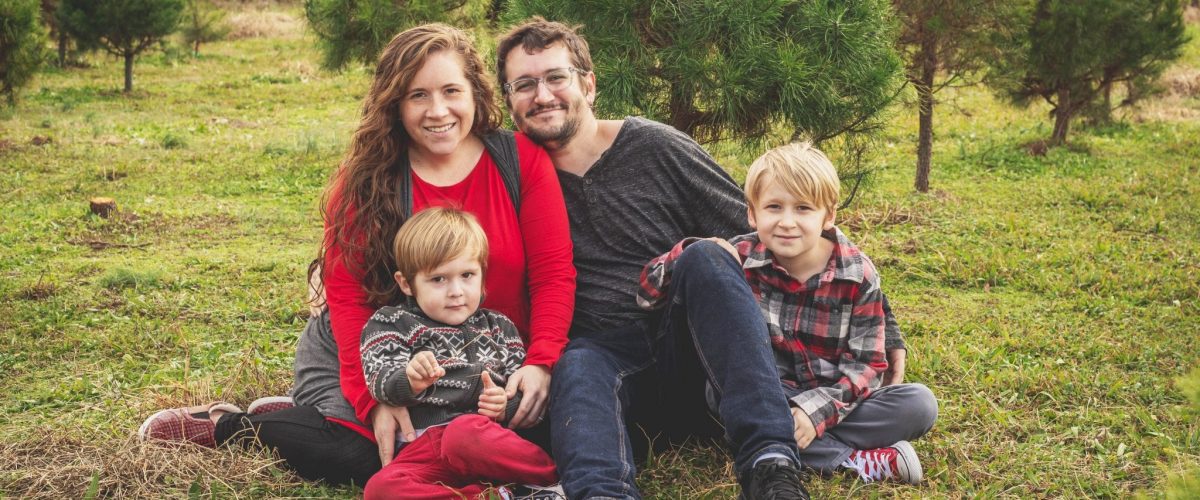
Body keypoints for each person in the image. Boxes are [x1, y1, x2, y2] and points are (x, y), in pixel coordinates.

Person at [139, 24, 575, 487]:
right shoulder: (370, 180)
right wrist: (375, 401)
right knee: (365, 459)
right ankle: (227, 424)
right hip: (380, 351)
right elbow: (347, 297)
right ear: (396, 105)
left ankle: (301, 413)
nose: (438, 110)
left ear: (475, 93)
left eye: (451, 91)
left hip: (482, 357)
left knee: (523, 444)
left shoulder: (519, 159)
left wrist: (540, 361)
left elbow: (552, 274)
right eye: (417, 96)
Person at [495, 18, 809, 499]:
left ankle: (771, 466)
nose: (542, 95)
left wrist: (879, 323)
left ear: (589, 84)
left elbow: (769, 233)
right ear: (509, 100)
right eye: (524, 84)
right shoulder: (510, 177)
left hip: (694, 354)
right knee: (578, 358)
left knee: (705, 257)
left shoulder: (653, 146)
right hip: (605, 378)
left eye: (556, 77)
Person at [639, 142, 938, 485]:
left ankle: (791, 439)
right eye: (774, 207)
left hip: (828, 397)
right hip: (758, 395)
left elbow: (867, 367)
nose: (786, 222)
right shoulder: (737, 257)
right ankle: (850, 461)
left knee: (918, 404)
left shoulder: (857, 273)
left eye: (803, 209)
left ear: (828, 215)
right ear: (752, 213)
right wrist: (693, 255)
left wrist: (813, 414)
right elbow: (646, 296)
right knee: (716, 395)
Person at [358, 207, 558, 499]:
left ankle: (553, 481)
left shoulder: (499, 327)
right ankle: (494, 496)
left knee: (462, 433)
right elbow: (378, 380)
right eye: (438, 279)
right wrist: (409, 379)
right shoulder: (391, 323)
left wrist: (505, 405)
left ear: (481, 275)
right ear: (406, 283)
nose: (456, 291)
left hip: (486, 443)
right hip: (424, 449)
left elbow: (526, 394)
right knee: (380, 489)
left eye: (467, 275)